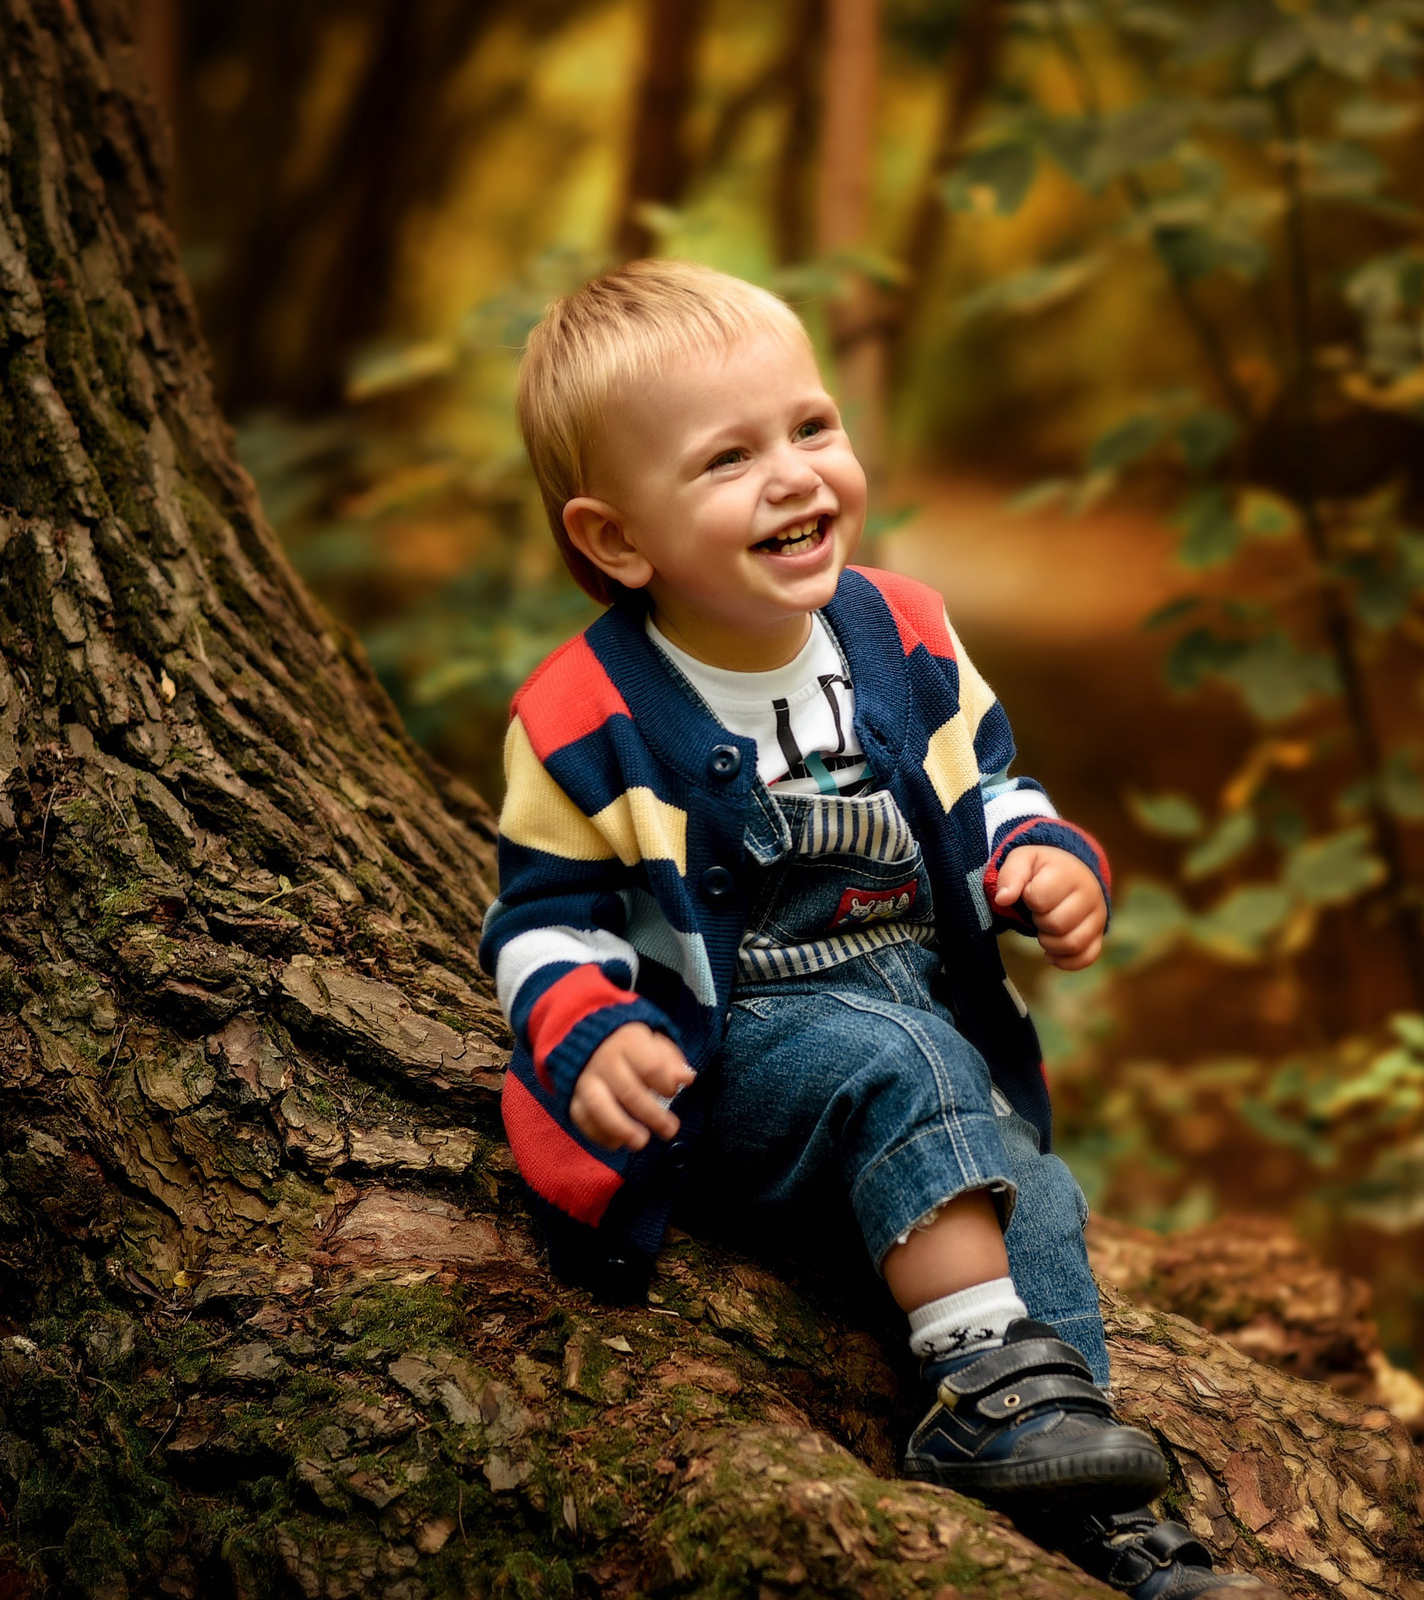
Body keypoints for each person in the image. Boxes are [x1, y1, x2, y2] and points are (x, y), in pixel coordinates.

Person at [481, 261, 1257, 1597]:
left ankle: (1086, 1489)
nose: (795, 477)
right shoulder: (584, 716)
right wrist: (589, 1033)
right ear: (617, 540)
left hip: (914, 1022)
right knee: (897, 1060)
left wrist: (1043, 856)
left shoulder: (900, 632)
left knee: (1039, 1194)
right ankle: (981, 1391)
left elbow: (987, 779)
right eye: (729, 458)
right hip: (734, 1055)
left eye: (812, 427)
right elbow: (542, 916)